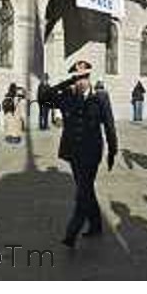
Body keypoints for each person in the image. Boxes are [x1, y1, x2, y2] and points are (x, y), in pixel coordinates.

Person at [38, 61, 118, 248]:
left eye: (84, 77)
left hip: (92, 152)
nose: (81, 81)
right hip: (73, 152)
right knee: (87, 189)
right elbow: (43, 98)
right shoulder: (67, 95)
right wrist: (67, 83)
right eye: (78, 78)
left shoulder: (100, 97)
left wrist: (113, 150)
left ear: (89, 78)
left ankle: (71, 233)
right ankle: (97, 224)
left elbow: (109, 124)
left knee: (82, 192)